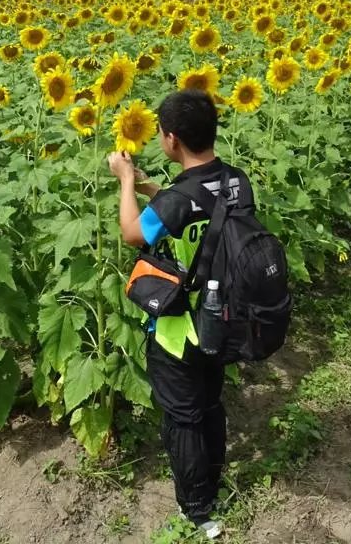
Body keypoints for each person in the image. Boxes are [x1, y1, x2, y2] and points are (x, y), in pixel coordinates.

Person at [108, 89, 251, 540]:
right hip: (223, 317)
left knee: (183, 415)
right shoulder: (236, 180)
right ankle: (213, 481)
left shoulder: (178, 199)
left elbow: (134, 232)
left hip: (180, 328)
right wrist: (156, 188)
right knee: (210, 403)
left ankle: (198, 508)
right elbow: (198, 206)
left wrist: (126, 181)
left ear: (170, 140)